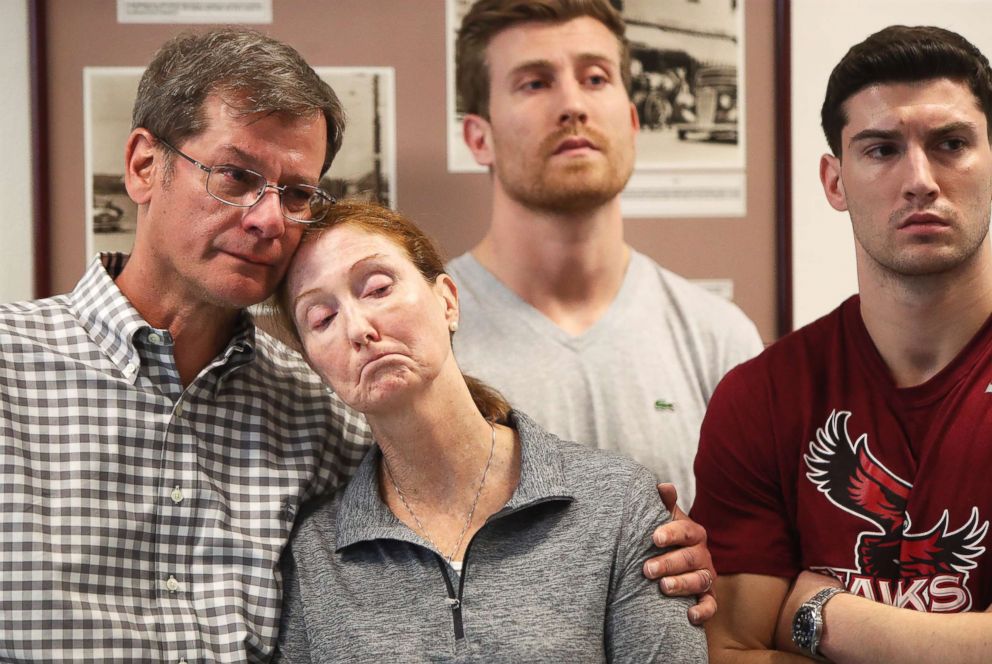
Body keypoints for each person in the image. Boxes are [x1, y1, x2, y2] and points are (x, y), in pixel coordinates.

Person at [0, 28, 372, 662]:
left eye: (297, 193)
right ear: (145, 167)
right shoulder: (10, 368)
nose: (268, 220)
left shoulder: (325, 419)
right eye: (235, 175)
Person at [271, 200, 708, 662]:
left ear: (447, 302)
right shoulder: (314, 553)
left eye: (378, 288)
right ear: (314, 365)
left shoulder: (618, 505)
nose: (358, 328)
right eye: (322, 318)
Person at [692, 25, 992, 663]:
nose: (920, 180)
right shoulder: (761, 398)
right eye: (881, 149)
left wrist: (817, 613)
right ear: (834, 181)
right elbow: (732, 651)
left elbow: (767, 632)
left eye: (951, 144)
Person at [448, 0, 763, 517]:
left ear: (633, 120)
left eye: (595, 78)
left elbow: (749, 570)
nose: (573, 104)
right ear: (478, 138)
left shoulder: (717, 339)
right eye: (535, 83)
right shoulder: (427, 339)